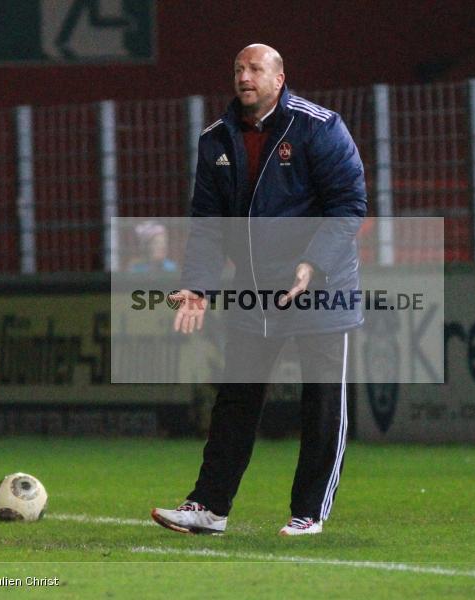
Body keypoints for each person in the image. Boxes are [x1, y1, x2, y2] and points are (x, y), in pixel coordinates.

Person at [151, 43, 366, 535]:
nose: (244, 76)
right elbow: (206, 224)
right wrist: (199, 287)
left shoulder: (320, 127)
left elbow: (350, 203)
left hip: (321, 287)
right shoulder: (216, 140)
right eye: (237, 69)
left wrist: (312, 264)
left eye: (254, 68)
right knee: (236, 400)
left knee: (322, 402)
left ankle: (309, 511)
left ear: (279, 76)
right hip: (254, 291)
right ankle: (209, 507)